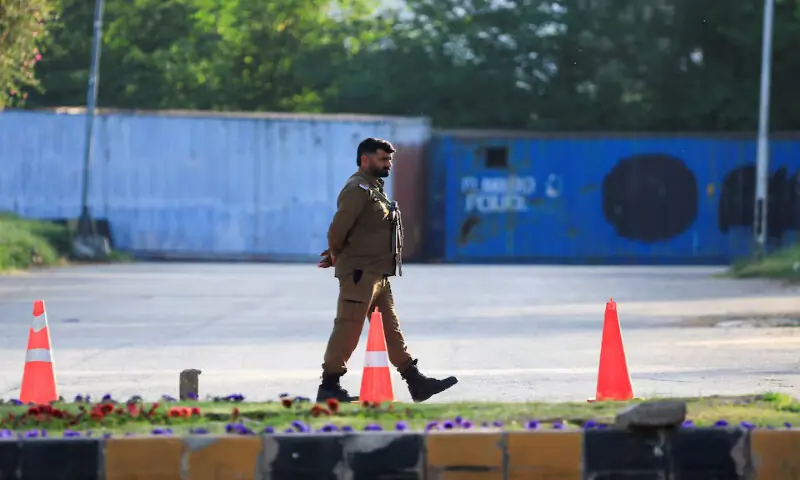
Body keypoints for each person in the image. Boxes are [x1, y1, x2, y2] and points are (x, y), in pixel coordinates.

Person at [316, 137, 458, 403]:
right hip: (360, 273)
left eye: (390, 159)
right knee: (348, 327)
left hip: (378, 273)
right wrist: (335, 253)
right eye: (383, 159)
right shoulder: (357, 189)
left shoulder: (375, 189)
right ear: (365, 160)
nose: (388, 164)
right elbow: (338, 229)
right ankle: (329, 385)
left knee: (391, 329)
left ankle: (415, 381)